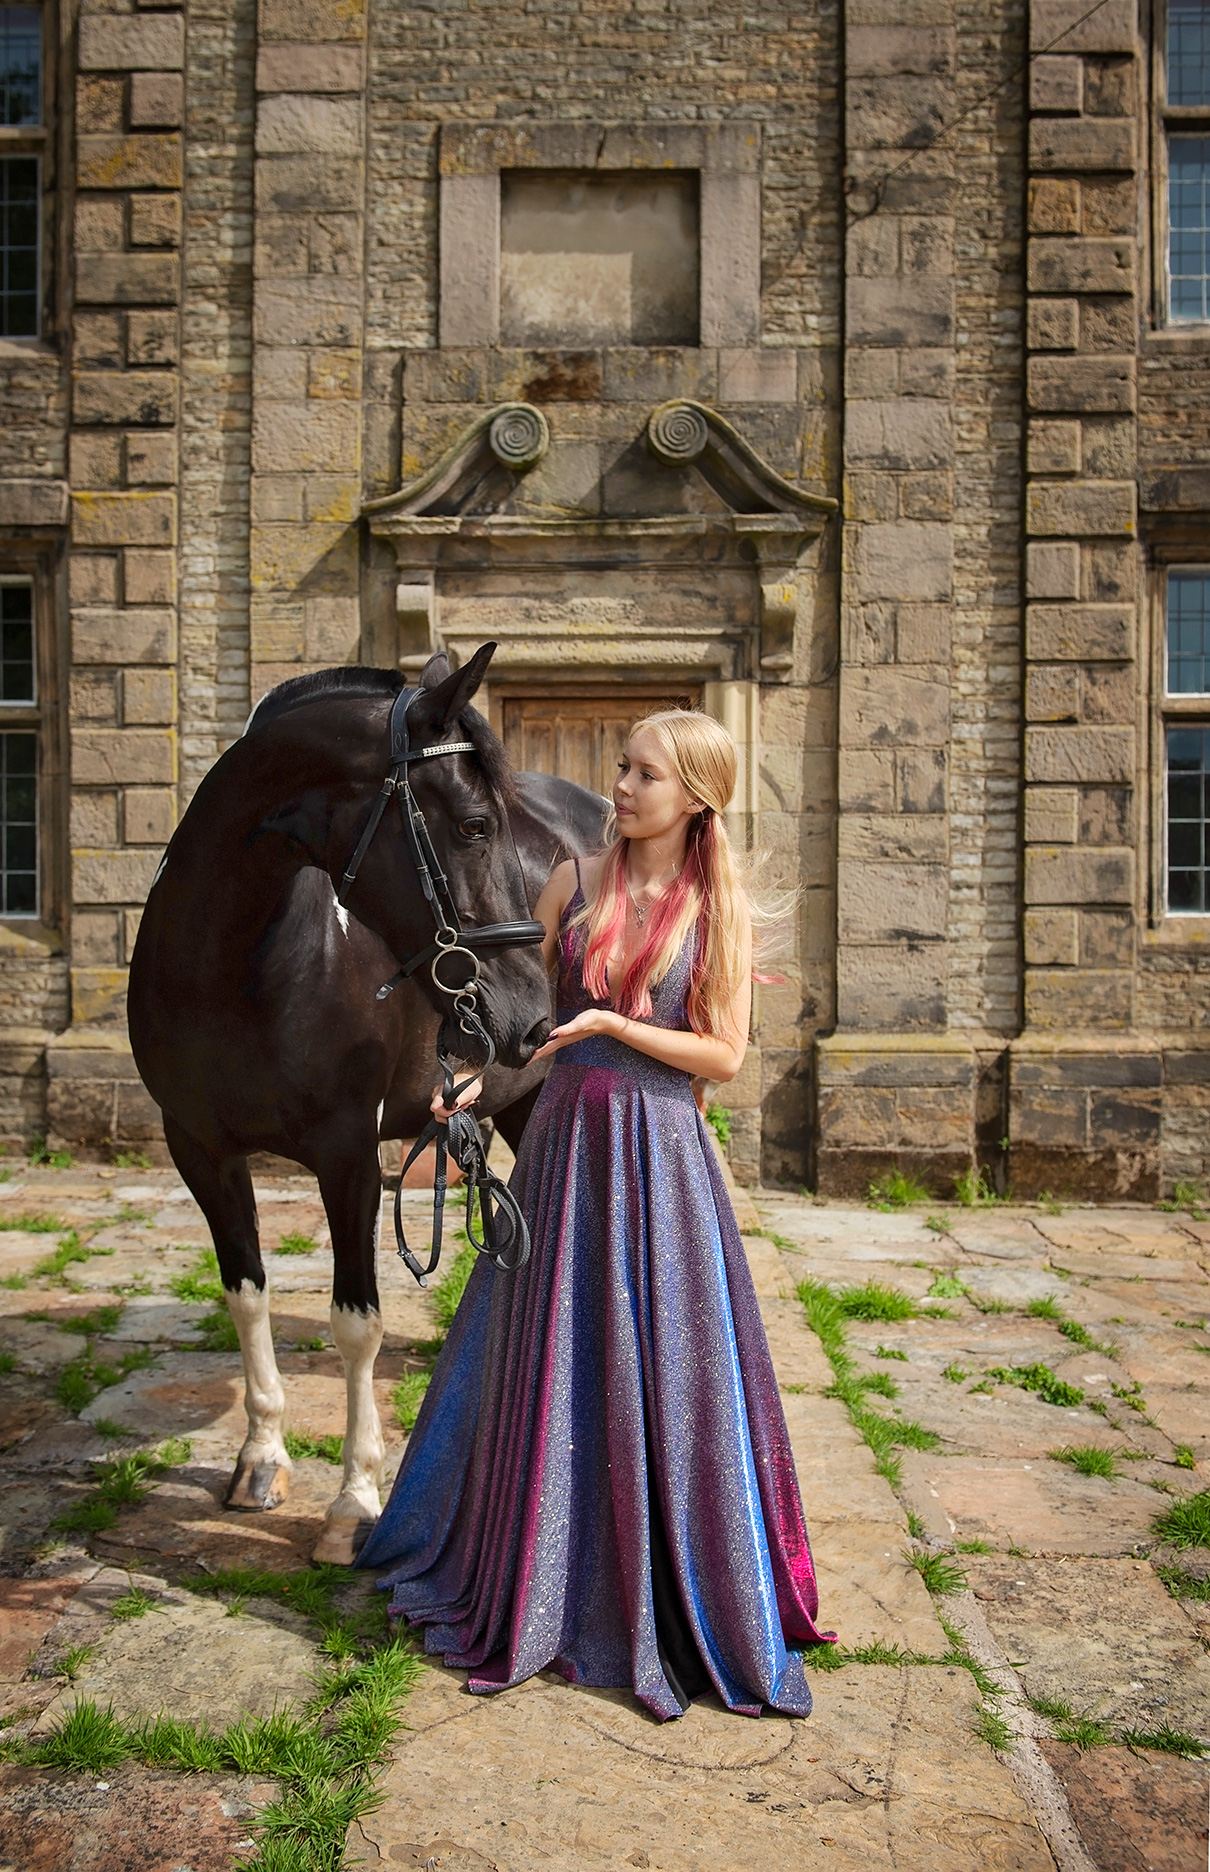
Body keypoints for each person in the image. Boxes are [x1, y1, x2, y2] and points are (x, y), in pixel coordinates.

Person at [357, 709, 828, 1721]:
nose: (620, 785)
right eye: (621, 766)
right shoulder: (578, 879)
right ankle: (537, 1567)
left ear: (694, 795)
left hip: (658, 1156)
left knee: (659, 1357)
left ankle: (662, 1580)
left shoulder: (714, 905)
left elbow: (726, 1055)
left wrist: (619, 1021)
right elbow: (539, 1029)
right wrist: (478, 1089)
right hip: (566, 1142)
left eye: (644, 773)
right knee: (549, 1354)